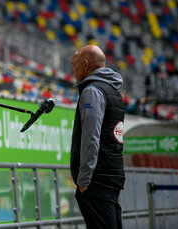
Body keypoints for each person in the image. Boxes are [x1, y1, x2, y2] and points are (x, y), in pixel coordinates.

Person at [70, 45, 125, 229]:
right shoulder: (114, 91)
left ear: (85, 64)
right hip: (111, 176)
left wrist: (84, 181)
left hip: (96, 180)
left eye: (75, 65)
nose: (73, 70)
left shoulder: (92, 91)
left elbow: (91, 138)